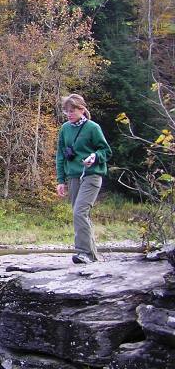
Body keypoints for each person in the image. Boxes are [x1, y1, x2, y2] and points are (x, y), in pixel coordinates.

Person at [55, 94, 112, 263]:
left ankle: (84, 253)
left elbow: (106, 151)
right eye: (66, 111)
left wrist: (94, 156)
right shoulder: (65, 128)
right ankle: (93, 255)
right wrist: (60, 180)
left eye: (72, 111)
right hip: (73, 177)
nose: (69, 114)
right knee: (80, 214)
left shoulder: (93, 128)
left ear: (82, 109)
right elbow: (60, 155)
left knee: (80, 212)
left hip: (92, 175)